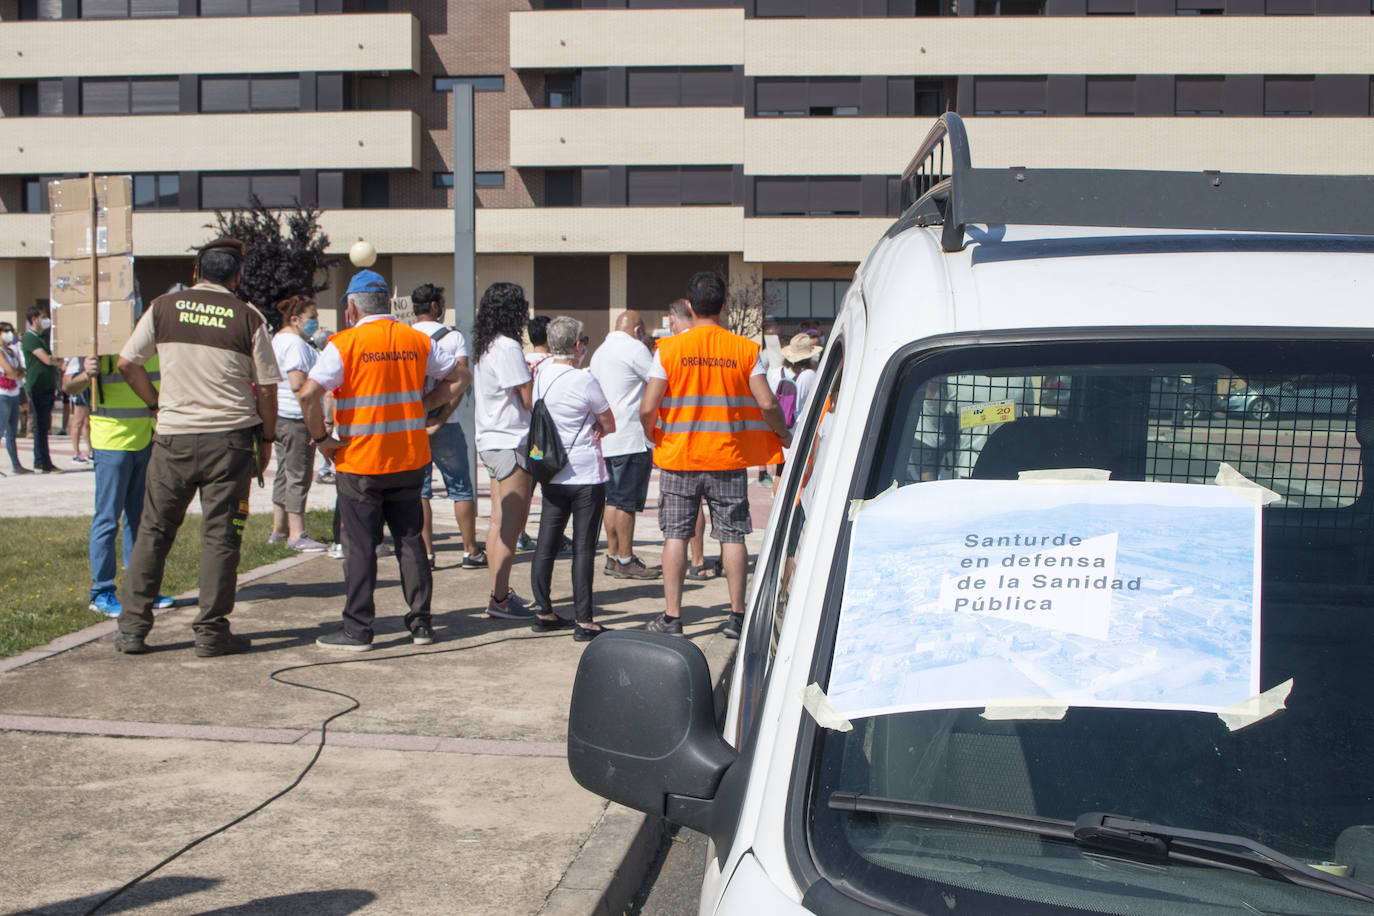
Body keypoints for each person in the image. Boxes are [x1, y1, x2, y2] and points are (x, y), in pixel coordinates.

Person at [114, 237, 281, 657]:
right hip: (230, 440)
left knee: (153, 531)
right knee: (221, 537)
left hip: (173, 437)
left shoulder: (162, 308)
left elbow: (127, 363)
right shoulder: (249, 317)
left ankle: (133, 629)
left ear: (196, 272)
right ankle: (210, 633)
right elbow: (266, 389)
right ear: (237, 276)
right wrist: (266, 440)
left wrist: (155, 404)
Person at [299, 270, 467, 650]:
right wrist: (426, 407)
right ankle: (421, 624)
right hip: (409, 458)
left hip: (359, 462)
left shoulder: (344, 343)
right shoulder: (414, 339)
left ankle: (358, 629)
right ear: (389, 307)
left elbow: (309, 394)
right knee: (411, 541)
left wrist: (324, 440)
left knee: (360, 546)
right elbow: (459, 377)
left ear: (352, 308)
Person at [640, 271, 790, 639]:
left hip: (680, 458)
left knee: (675, 535)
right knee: (733, 536)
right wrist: (783, 434)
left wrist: (653, 434)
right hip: (727, 458)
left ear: (689, 307)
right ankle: (736, 617)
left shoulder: (669, 350)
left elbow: (647, 407)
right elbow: (767, 402)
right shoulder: (744, 350)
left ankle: (673, 618)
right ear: (724, 306)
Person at [62, 345, 174, 617]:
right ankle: (101, 592)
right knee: (108, 518)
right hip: (111, 441)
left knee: (140, 518)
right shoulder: (96, 344)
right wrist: (84, 375)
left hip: (145, 437)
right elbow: (68, 386)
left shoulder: (151, 344)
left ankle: (140, 589)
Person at [529, 317, 616, 641]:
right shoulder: (584, 380)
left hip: (551, 471)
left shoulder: (540, 376)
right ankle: (584, 620)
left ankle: (543, 609)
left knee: (546, 542)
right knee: (583, 548)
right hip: (584, 473)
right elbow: (609, 422)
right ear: (577, 345)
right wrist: (596, 425)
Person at [472, 282, 536, 619]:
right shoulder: (509, 347)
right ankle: (499, 599)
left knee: (498, 522)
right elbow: (527, 398)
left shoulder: (486, 345)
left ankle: (499, 593)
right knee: (511, 525)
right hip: (511, 442)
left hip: (491, 441)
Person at [409, 282, 482, 571]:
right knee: (461, 488)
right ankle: (470, 550)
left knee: (421, 490)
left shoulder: (405, 337)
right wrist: (440, 418)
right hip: (447, 423)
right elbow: (460, 382)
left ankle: (427, 553)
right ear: (436, 307)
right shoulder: (453, 337)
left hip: (413, 424)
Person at [589, 309, 659, 580]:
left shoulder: (599, 352)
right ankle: (626, 558)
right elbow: (657, 381)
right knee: (627, 503)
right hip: (630, 436)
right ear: (638, 330)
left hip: (606, 438)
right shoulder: (635, 349)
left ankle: (613, 555)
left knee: (612, 501)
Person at [268, 295, 327, 552]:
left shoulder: (281, 339)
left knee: (284, 473)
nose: (315, 322)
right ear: (295, 319)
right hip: (296, 419)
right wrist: (315, 422)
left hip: (282, 417)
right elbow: (298, 386)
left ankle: (279, 529)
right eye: (312, 317)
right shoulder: (295, 345)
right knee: (298, 476)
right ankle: (296, 533)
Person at [516, 314, 553, 551]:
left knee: (526, 488)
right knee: (549, 485)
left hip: (525, 433)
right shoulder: (553, 364)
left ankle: (519, 532)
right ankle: (551, 535)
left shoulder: (522, 360)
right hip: (545, 437)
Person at [21, 304, 62, 473]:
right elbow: (47, 359)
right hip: (37, 387)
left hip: (48, 386)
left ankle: (43, 459)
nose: (46, 321)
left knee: (44, 425)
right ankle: (41, 461)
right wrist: (59, 361)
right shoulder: (30, 338)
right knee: (40, 425)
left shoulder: (44, 337)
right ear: (34, 319)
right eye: (43, 317)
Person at [0, 321, 27, 474]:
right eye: (6, 330)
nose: (10, 333)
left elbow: (21, 371)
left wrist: (15, 373)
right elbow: (10, 371)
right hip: (2, 395)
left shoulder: (12, 350)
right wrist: (15, 373)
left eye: (11, 330)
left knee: (12, 432)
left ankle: (16, 464)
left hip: (14, 393)